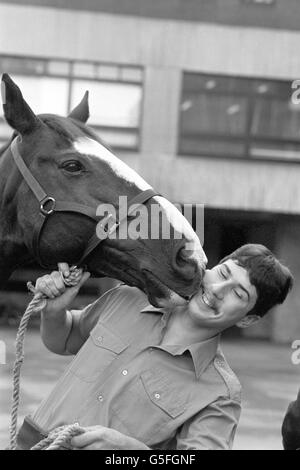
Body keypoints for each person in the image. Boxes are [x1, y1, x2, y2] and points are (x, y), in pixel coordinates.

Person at [17, 244, 293, 450]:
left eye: (238, 293)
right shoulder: (129, 297)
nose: (219, 289)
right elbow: (64, 339)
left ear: (248, 318)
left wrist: (127, 450)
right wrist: (54, 312)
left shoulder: (220, 393)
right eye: (222, 273)